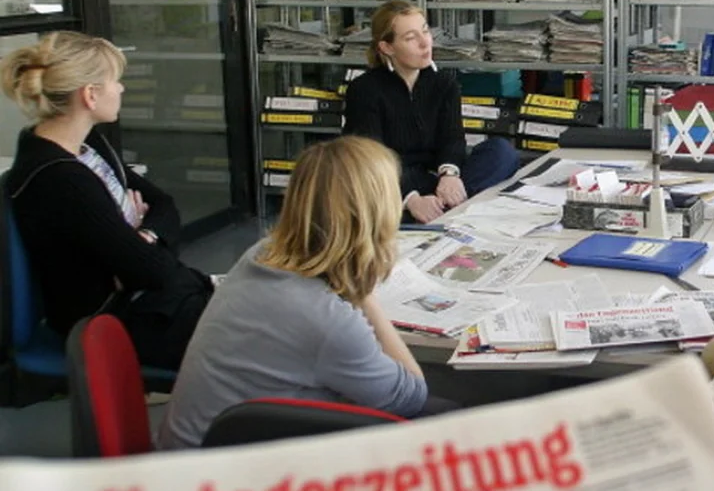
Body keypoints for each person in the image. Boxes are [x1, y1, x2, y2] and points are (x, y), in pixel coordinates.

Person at [158, 136, 434, 450]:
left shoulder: (261, 254)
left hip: (195, 451)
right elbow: (412, 396)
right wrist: (366, 296)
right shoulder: (328, 321)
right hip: (225, 469)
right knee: (442, 415)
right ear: (376, 214)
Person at [0, 31, 213, 370]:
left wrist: (143, 236)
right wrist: (138, 249)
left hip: (142, 300)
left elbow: (164, 204)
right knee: (271, 341)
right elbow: (153, 272)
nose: (122, 89)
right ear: (90, 94)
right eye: (115, 81)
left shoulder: (88, 146)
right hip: (109, 324)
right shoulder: (59, 177)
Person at [343, 0, 520, 223]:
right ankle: (440, 209)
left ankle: (441, 208)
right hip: (391, 181)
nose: (424, 42)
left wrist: (450, 174)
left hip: (435, 177)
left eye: (425, 31)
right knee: (369, 188)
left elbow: (453, 138)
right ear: (387, 47)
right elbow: (371, 159)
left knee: (502, 152)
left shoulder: (444, 83)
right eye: (411, 38)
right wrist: (411, 198)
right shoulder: (364, 89)